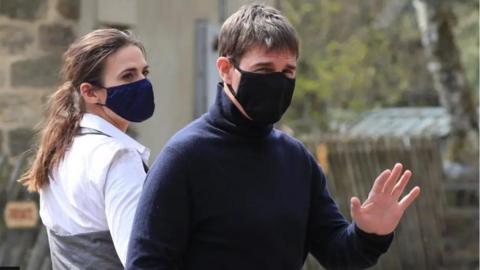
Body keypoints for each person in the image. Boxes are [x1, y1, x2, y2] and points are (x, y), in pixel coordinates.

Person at [126, 4, 421, 270]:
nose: (278, 83)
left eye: (288, 71)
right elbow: (147, 264)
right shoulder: (184, 158)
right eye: (264, 70)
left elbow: (339, 254)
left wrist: (370, 233)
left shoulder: (296, 160)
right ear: (226, 70)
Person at [19, 28, 154, 269]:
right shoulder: (117, 157)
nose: (142, 83)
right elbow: (140, 260)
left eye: (144, 72)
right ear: (90, 92)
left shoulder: (59, 150)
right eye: (127, 76)